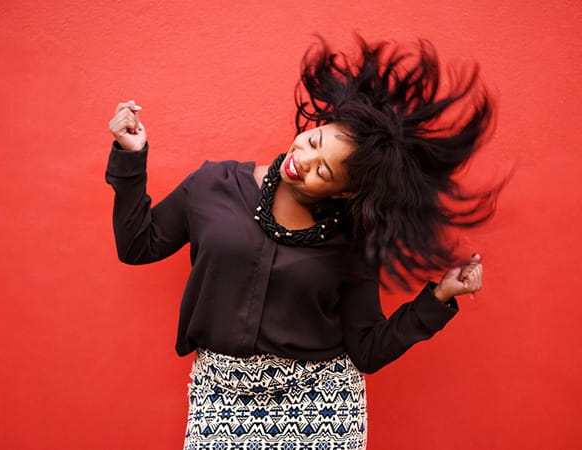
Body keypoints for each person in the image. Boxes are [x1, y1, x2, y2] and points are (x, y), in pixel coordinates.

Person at [105, 35, 496, 450]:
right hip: (220, 398)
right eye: (313, 141)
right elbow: (138, 246)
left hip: (323, 406)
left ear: (344, 193)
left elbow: (366, 350)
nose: (302, 160)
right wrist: (132, 155)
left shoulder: (352, 240)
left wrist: (438, 297)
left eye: (323, 172)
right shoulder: (212, 184)